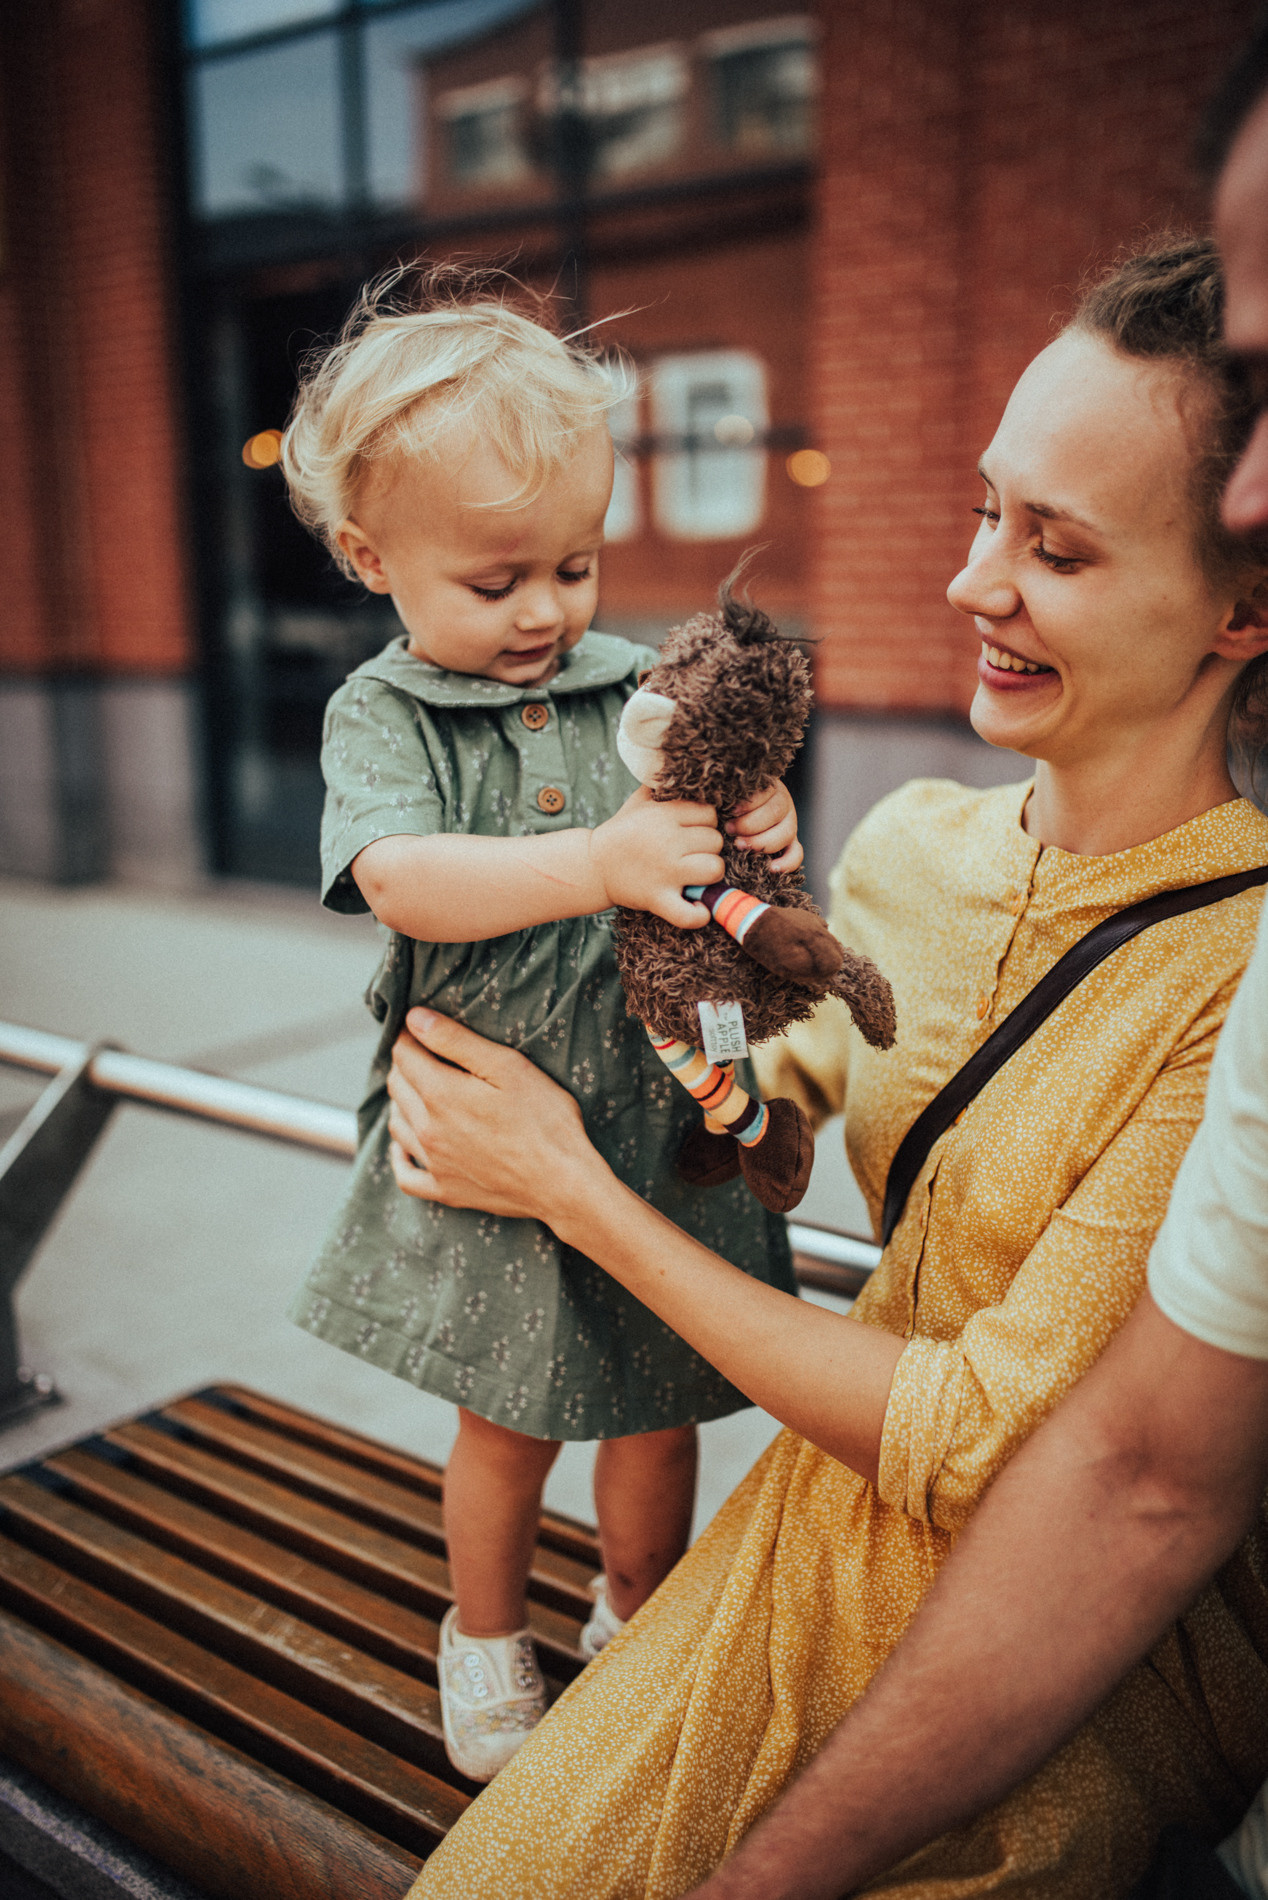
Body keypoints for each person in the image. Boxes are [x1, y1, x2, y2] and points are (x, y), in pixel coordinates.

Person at [385, 233, 1268, 1898]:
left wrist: (570, 1192)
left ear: (1249, 607)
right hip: (809, 1531)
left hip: (1089, 1660)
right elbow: (763, 1100)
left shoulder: (1245, 974)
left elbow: (1003, 1445)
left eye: (1056, 550)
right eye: (986, 513)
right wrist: (611, 1025)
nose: (973, 583)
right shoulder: (914, 848)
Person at [277, 278, 805, 1782]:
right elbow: (400, 878)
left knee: (660, 1411)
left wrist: (753, 825)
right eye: (498, 579)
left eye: (573, 565)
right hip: (499, 1140)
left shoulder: (633, 683)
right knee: (509, 1422)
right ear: (371, 559)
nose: (546, 611)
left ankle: (636, 1615)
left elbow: (703, 840)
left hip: (658, 1120)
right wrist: (588, 864)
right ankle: (487, 1633)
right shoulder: (383, 717)